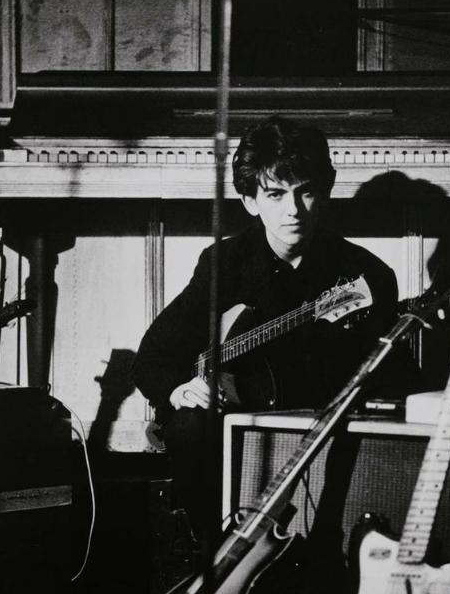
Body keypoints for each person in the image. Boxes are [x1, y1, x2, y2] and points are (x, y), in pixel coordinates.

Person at [133, 116, 417, 539]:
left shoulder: (366, 275)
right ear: (250, 201)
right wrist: (180, 389)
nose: (293, 210)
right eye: (276, 194)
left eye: (306, 192)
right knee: (190, 426)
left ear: (324, 192)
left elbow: (389, 378)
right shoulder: (224, 264)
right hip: (238, 410)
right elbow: (153, 356)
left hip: (322, 415)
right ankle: (218, 554)